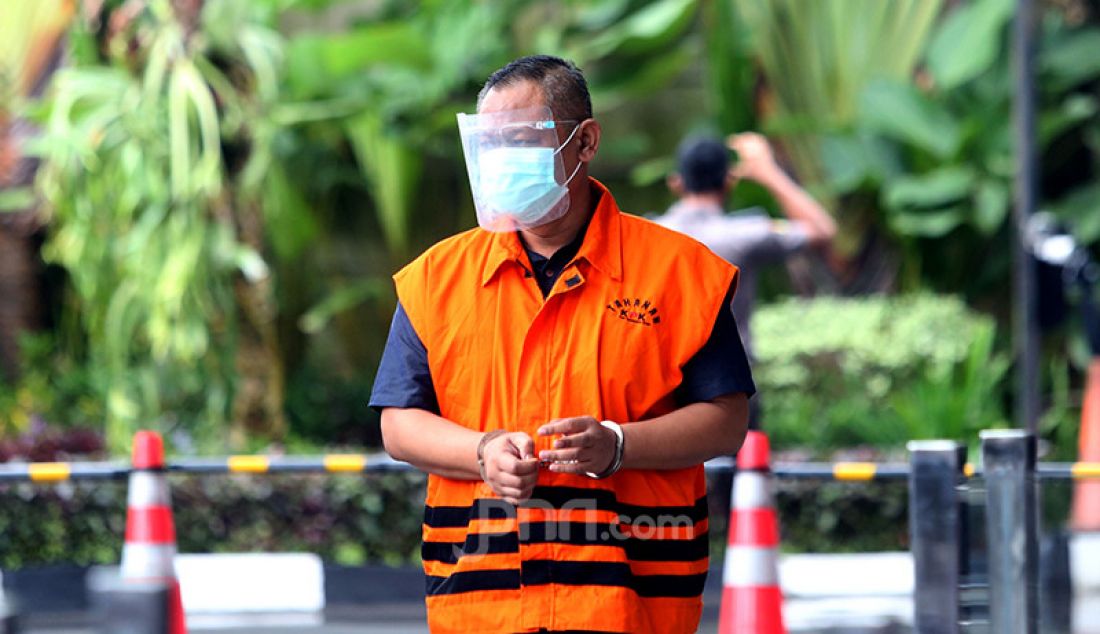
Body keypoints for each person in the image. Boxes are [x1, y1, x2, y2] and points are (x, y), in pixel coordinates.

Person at [369, 55, 755, 634]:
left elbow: (727, 422)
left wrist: (619, 445)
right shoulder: (436, 279)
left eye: (521, 140)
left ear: (585, 142)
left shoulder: (680, 274)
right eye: (491, 145)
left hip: (634, 602)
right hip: (483, 604)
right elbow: (399, 423)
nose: (503, 162)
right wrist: (483, 453)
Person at [656, 133, 836, 362]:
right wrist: (769, 172)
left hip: (666, 383)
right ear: (730, 180)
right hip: (733, 383)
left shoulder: (648, 235)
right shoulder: (748, 234)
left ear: (675, 183)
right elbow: (823, 230)